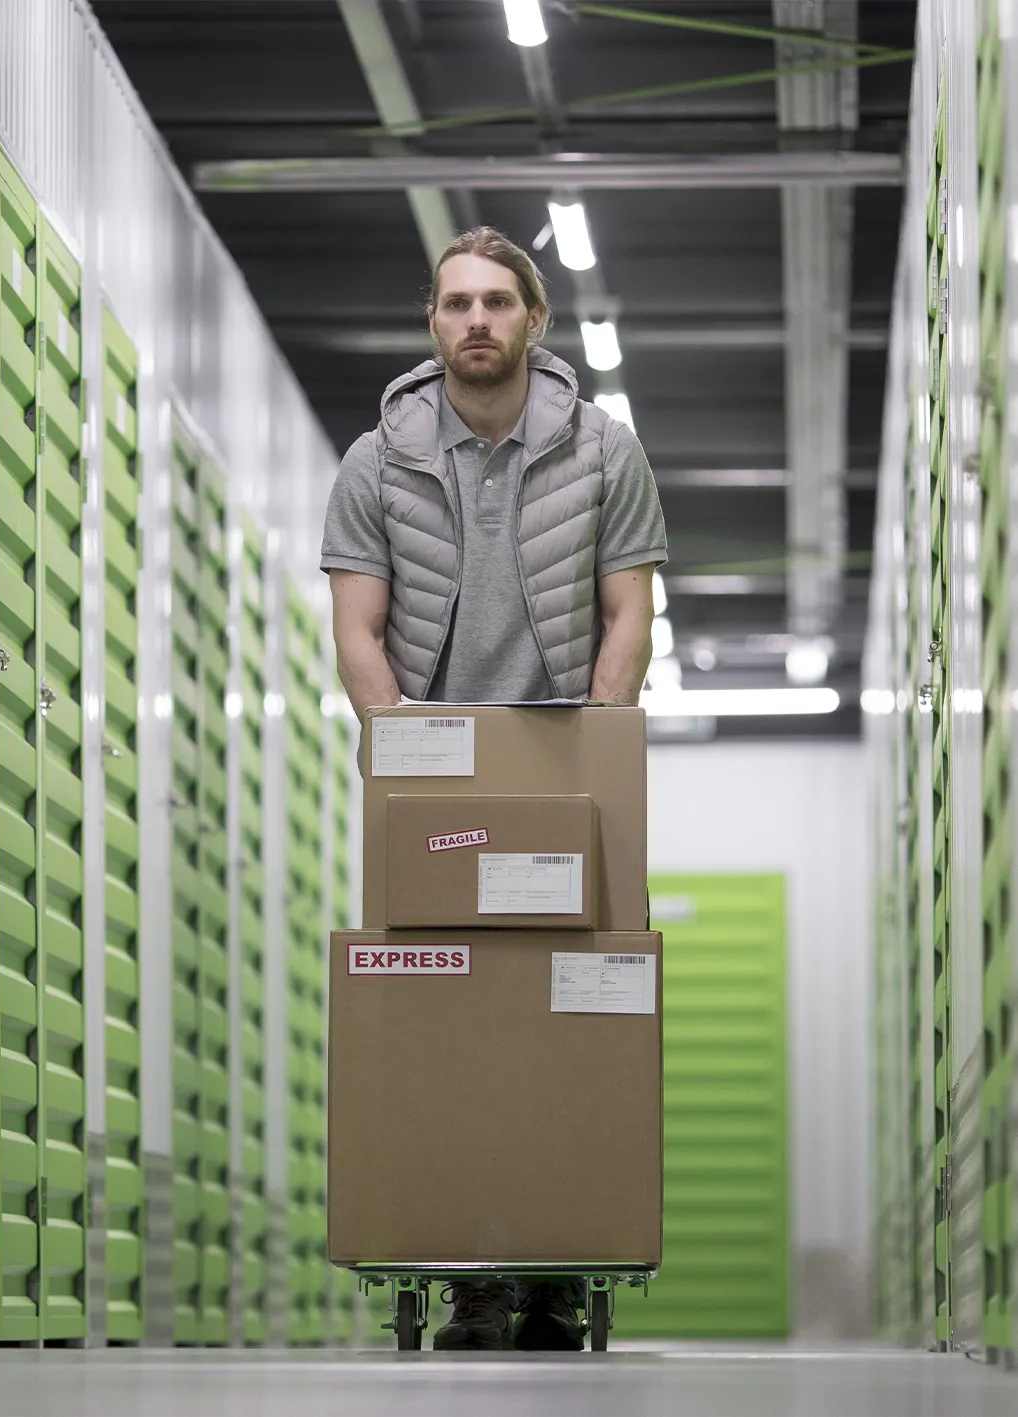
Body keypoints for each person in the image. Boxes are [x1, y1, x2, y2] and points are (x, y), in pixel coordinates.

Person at [319, 226, 667, 1352]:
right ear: (432, 322)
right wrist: (404, 748)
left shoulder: (605, 451)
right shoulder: (375, 463)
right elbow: (357, 632)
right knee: (441, 1021)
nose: (477, 320)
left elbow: (628, 613)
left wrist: (598, 742)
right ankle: (472, 1270)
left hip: (566, 752)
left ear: (535, 320)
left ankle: (555, 1267)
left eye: (498, 302)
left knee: (572, 1016)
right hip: (433, 771)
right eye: (457, 302)